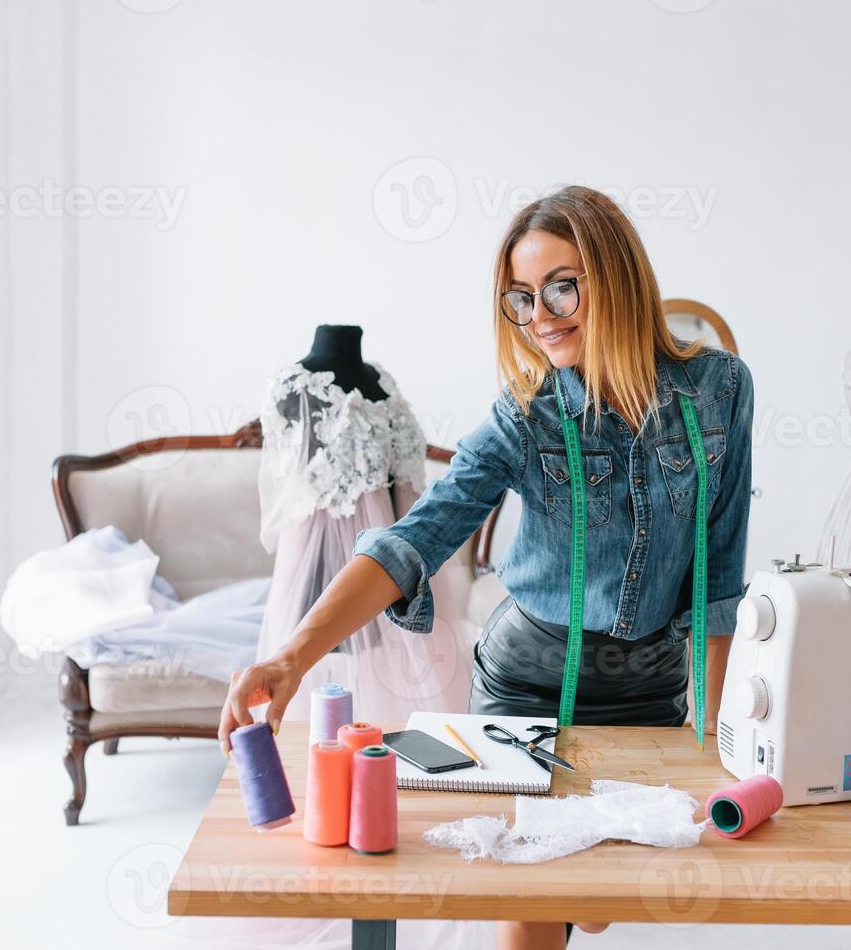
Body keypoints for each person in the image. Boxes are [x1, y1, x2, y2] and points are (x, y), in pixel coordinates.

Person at [221, 184, 754, 950]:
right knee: (536, 905)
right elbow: (413, 540)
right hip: (527, 685)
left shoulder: (721, 389)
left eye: (562, 285)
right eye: (521, 299)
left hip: (649, 690)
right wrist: (291, 655)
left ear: (617, 276)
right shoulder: (526, 415)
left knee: (603, 897)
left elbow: (721, 582)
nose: (541, 316)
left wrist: (715, 737)